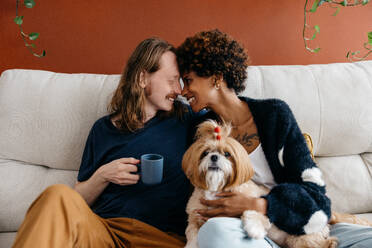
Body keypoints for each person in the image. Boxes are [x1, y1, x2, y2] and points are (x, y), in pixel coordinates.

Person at [176, 29, 372, 248]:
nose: (184, 91)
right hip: (243, 232)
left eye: (188, 80)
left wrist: (258, 205)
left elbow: (316, 197)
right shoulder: (203, 130)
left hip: (298, 224)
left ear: (216, 78)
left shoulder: (274, 115)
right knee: (216, 232)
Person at [12, 37, 196, 248]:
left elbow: (233, 120)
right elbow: (79, 198)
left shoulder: (184, 120)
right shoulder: (103, 130)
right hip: (105, 233)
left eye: (180, 81)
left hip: (160, 239)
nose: (179, 90)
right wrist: (103, 175)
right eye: (171, 80)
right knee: (56, 195)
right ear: (143, 78)